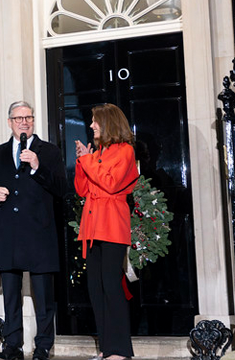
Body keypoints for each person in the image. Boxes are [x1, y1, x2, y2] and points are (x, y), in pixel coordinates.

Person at [0, 101, 66, 360]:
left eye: (28, 117)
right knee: (11, 298)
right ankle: (12, 344)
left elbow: (62, 188)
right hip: (9, 234)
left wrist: (38, 166)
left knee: (43, 298)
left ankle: (42, 347)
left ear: (33, 120)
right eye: (18, 118)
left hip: (40, 234)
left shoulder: (48, 151)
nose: (24, 122)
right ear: (10, 122)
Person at [74, 103, 139, 360]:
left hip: (111, 224)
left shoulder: (125, 151)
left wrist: (88, 161)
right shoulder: (98, 152)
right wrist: (83, 160)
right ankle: (107, 348)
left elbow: (110, 184)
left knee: (112, 286)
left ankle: (121, 350)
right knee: (95, 288)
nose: (91, 125)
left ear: (107, 123)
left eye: (94, 121)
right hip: (92, 225)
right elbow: (82, 189)